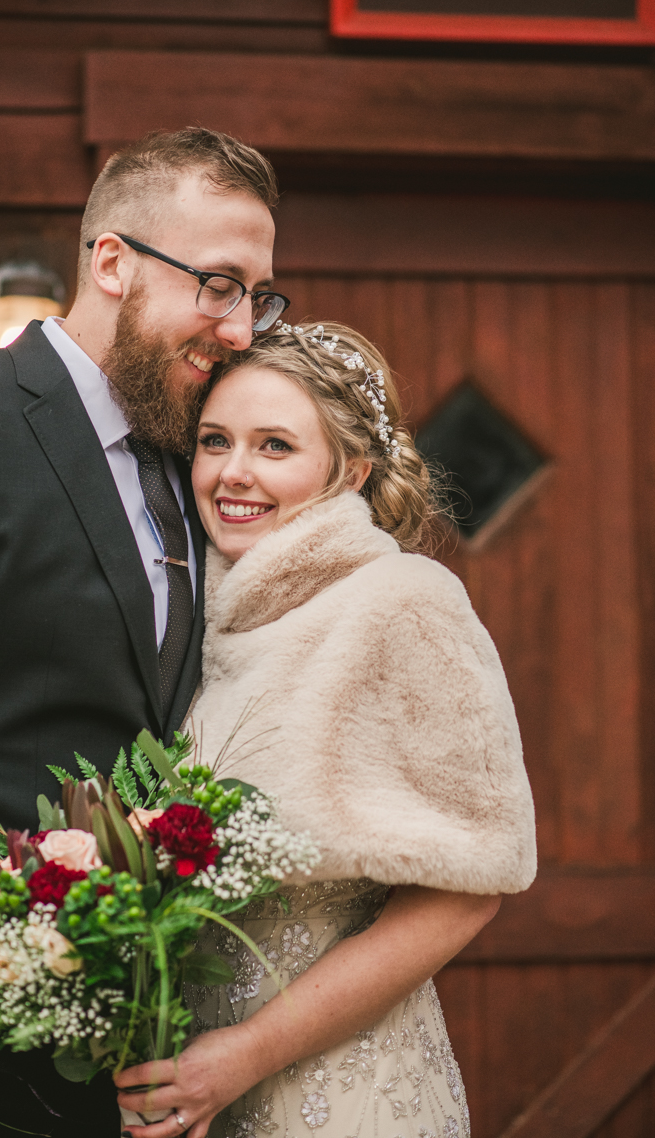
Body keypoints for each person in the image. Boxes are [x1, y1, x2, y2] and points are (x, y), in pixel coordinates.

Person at [0, 127, 287, 1137]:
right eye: (218, 285)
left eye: (259, 297)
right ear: (111, 262)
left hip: (126, 1060)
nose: (239, 329)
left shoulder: (198, 459)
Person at [114, 322, 537, 1138]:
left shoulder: (405, 601)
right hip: (195, 1095)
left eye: (275, 446)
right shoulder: (202, 615)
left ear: (350, 469)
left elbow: (472, 888)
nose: (234, 472)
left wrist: (244, 1055)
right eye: (215, 441)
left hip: (341, 1094)